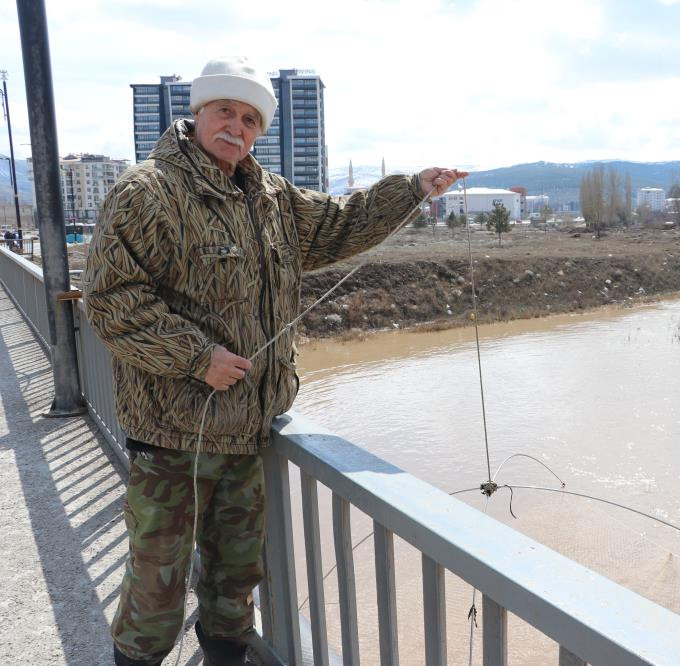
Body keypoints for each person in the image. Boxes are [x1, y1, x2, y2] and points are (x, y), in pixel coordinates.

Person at [82, 56, 467, 666]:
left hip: (248, 433)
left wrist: (412, 189)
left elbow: (340, 225)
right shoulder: (147, 192)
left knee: (236, 579)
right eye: (225, 112)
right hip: (171, 436)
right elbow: (111, 299)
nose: (236, 128)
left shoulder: (271, 197)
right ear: (198, 113)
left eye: (250, 120)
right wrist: (197, 357)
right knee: (157, 582)